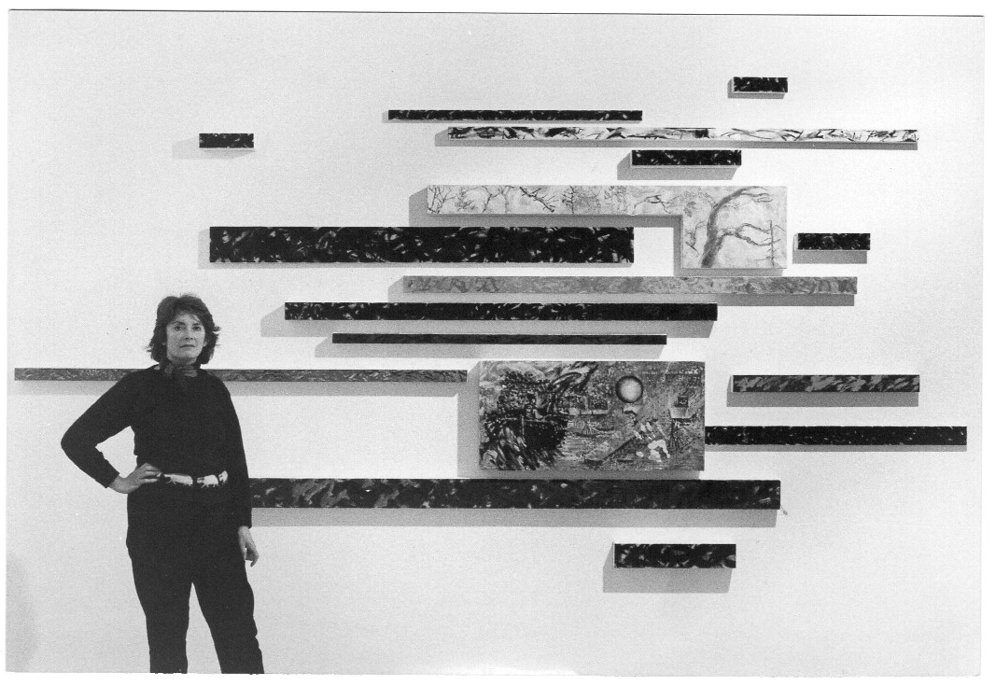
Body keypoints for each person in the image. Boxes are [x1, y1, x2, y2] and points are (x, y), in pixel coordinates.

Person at [61, 294, 264, 674]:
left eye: (196, 327)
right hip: (159, 525)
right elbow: (76, 439)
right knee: (167, 639)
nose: (188, 334)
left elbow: (235, 460)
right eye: (178, 326)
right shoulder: (139, 386)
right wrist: (117, 480)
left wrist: (242, 523)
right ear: (163, 335)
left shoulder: (215, 389)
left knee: (238, 634)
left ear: (207, 338)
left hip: (217, 523)